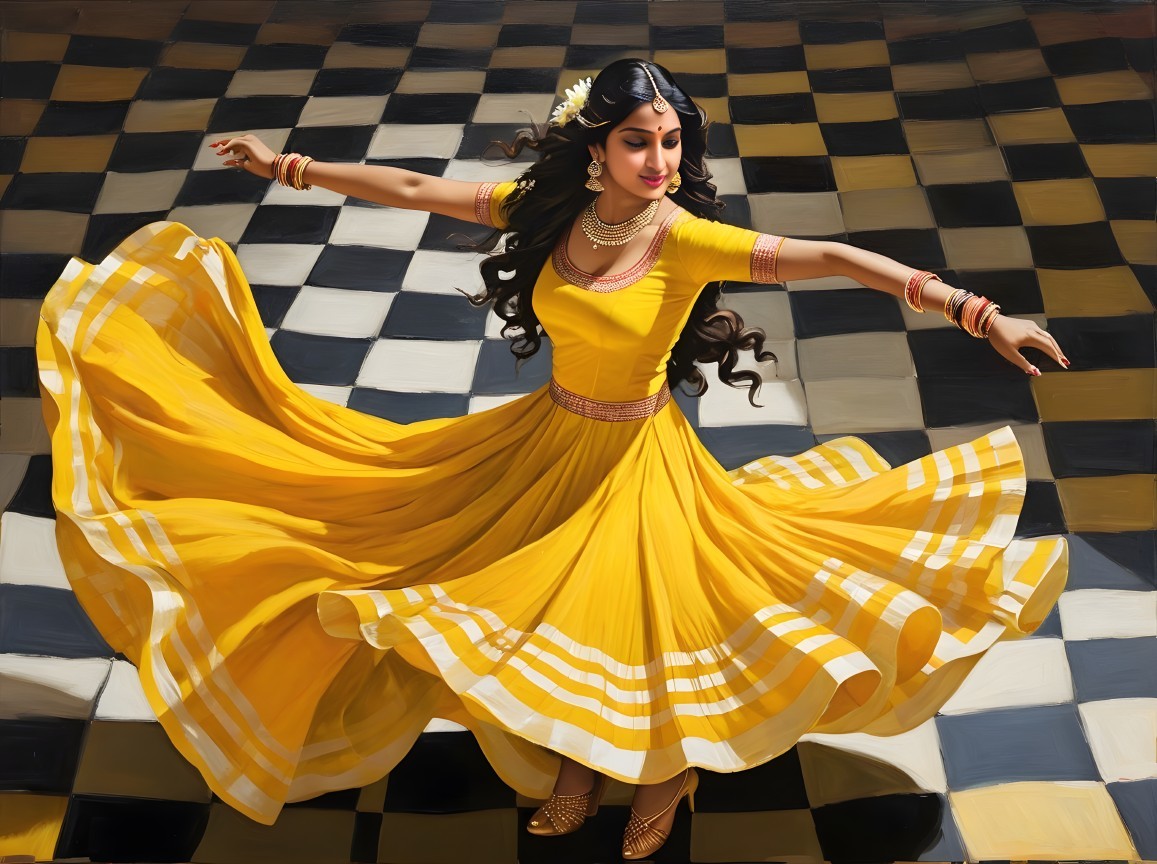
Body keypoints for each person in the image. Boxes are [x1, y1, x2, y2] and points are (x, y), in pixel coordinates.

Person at [37, 59, 1069, 859]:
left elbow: (836, 260)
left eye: (669, 143)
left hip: (633, 458)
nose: (659, 162)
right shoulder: (551, 214)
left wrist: (976, 315)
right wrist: (288, 168)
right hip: (541, 440)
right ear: (595, 150)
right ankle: (581, 764)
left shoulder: (687, 240)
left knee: (644, 618)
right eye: (637, 143)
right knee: (482, 584)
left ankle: (665, 773)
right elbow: (411, 185)